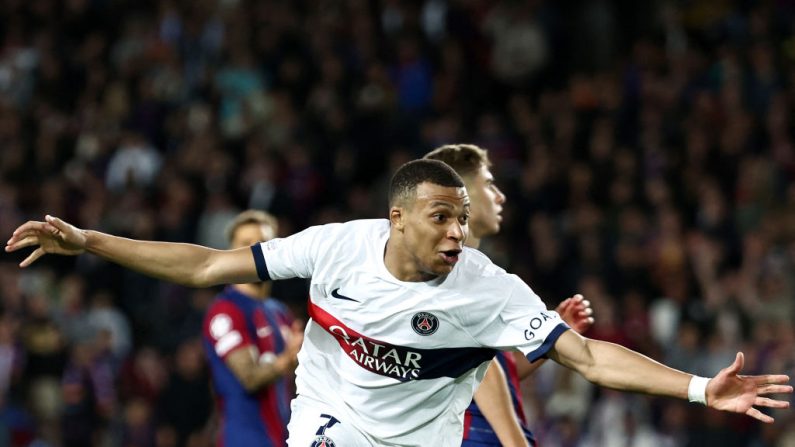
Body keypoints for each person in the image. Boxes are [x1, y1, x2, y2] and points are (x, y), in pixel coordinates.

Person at [6, 159, 791, 447]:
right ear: (400, 218)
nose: (458, 232)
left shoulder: (489, 289)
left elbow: (588, 359)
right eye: (442, 218)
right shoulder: (332, 247)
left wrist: (695, 386)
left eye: (463, 217)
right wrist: (94, 240)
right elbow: (211, 263)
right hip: (327, 422)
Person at [425, 144, 592, 447]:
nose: (500, 196)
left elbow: (496, 369)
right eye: (489, 185)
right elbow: (477, 372)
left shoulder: (482, 277)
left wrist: (545, 341)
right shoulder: (443, 281)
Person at [201, 210, 303, 446]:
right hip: (245, 439)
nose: (254, 252)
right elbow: (249, 377)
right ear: (231, 253)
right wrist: (286, 360)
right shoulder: (225, 311)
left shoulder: (279, 312)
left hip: (285, 438)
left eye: (263, 244)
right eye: (245, 244)